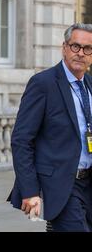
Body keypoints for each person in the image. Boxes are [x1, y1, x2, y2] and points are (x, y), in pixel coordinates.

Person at [8, 23, 92, 232]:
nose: (81, 53)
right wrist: (30, 190)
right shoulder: (43, 84)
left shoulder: (89, 84)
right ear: (64, 47)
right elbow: (21, 139)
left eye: (87, 49)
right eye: (75, 46)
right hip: (62, 185)